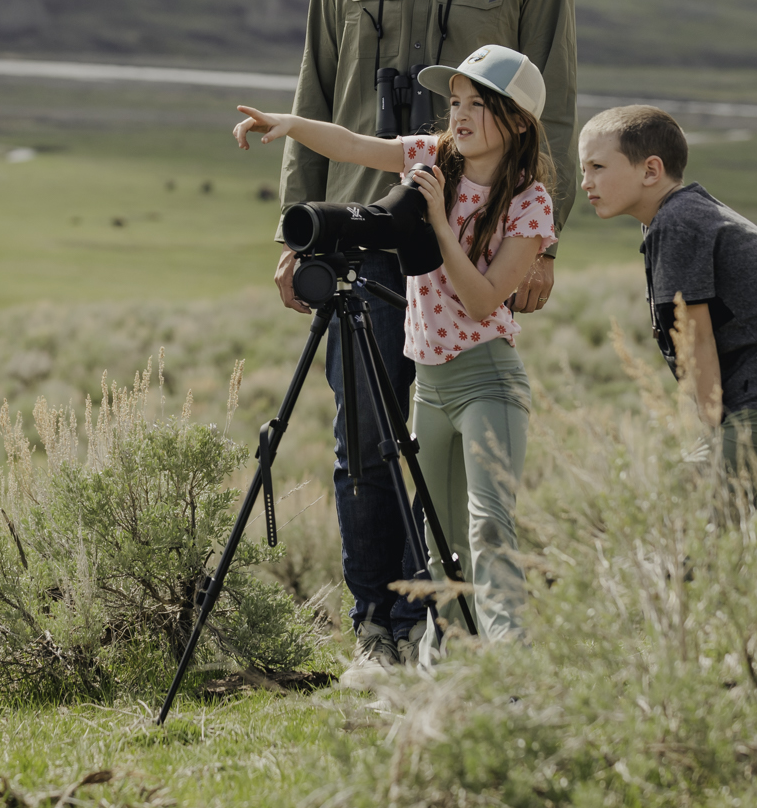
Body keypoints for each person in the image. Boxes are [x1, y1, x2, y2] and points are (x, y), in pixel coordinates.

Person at [273, 0, 577, 668]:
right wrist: (294, 228)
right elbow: (314, 89)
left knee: (455, 452)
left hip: (474, 242)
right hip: (365, 231)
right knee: (365, 444)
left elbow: (555, 109)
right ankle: (381, 630)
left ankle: (459, 634)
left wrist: (543, 244)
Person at [238, 43, 556, 660]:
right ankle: (446, 667)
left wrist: (435, 221)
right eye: (455, 102)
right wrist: (290, 124)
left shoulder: (529, 202)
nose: (459, 116)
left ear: (518, 122)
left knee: (490, 529)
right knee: (439, 543)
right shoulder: (434, 158)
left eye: (478, 104)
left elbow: (482, 300)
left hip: (487, 380)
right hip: (431, 388)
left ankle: (511, 668)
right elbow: (353, 146)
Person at [577, 105, 757, 487]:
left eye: (597, 167)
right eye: (583, 169)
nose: (585, 182)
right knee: (693, 505)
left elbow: (696, 339)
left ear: (651, 171)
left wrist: (708, 433)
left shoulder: (678, 222)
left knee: (700, 510)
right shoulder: (676, 217)